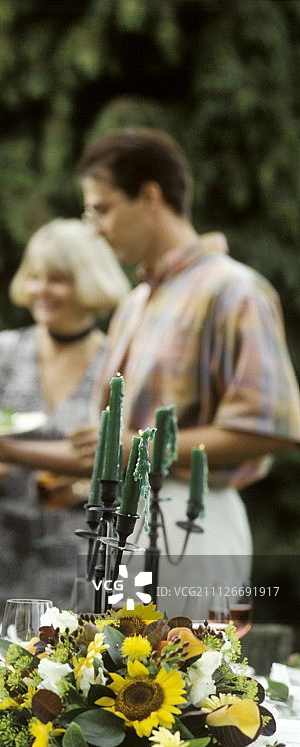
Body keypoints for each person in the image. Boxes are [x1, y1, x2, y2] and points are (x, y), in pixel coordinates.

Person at [74, 126, 300, 617]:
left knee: (189, 689)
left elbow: (274, 428)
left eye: (102, 208)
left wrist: (139, 446)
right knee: (115, 690)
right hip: (119, 523)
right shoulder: (135, 302)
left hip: (193, 527)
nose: (94, 227)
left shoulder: (235, 289)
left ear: (150, 196)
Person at [0, 219, 130, 632]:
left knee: (63, 682)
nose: (41, 289)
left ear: (88, 282)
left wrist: (79, 487)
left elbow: (121, 462)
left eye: (57, 279)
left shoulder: (116, 365)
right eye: (35, 276)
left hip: (76, 556)